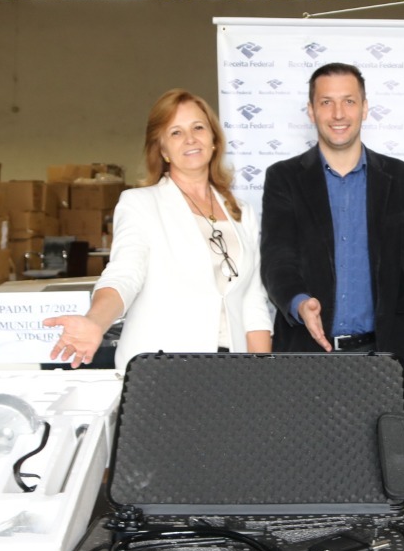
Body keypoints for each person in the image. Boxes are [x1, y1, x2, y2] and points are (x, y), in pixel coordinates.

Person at [44, 89, 273, 371]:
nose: (190, 138)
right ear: (163, 150)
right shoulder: (140, 204)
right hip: (163, 368)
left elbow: (252, 300)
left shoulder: (241, 211)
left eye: (198, 127)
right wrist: (95, 321)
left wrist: (262, 372)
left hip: (233, 369)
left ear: (214, 140)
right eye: (176, 132)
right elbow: (125, 274)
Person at [260, 62, 404, 361]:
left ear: (364, 108)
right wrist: (299, 303)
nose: (338, 114)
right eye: (327, 102)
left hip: (386, 356)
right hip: (305, 355)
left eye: (349, 101)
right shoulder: (283, 178)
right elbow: (277, 260)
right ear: (311, 111)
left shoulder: (401, 178)